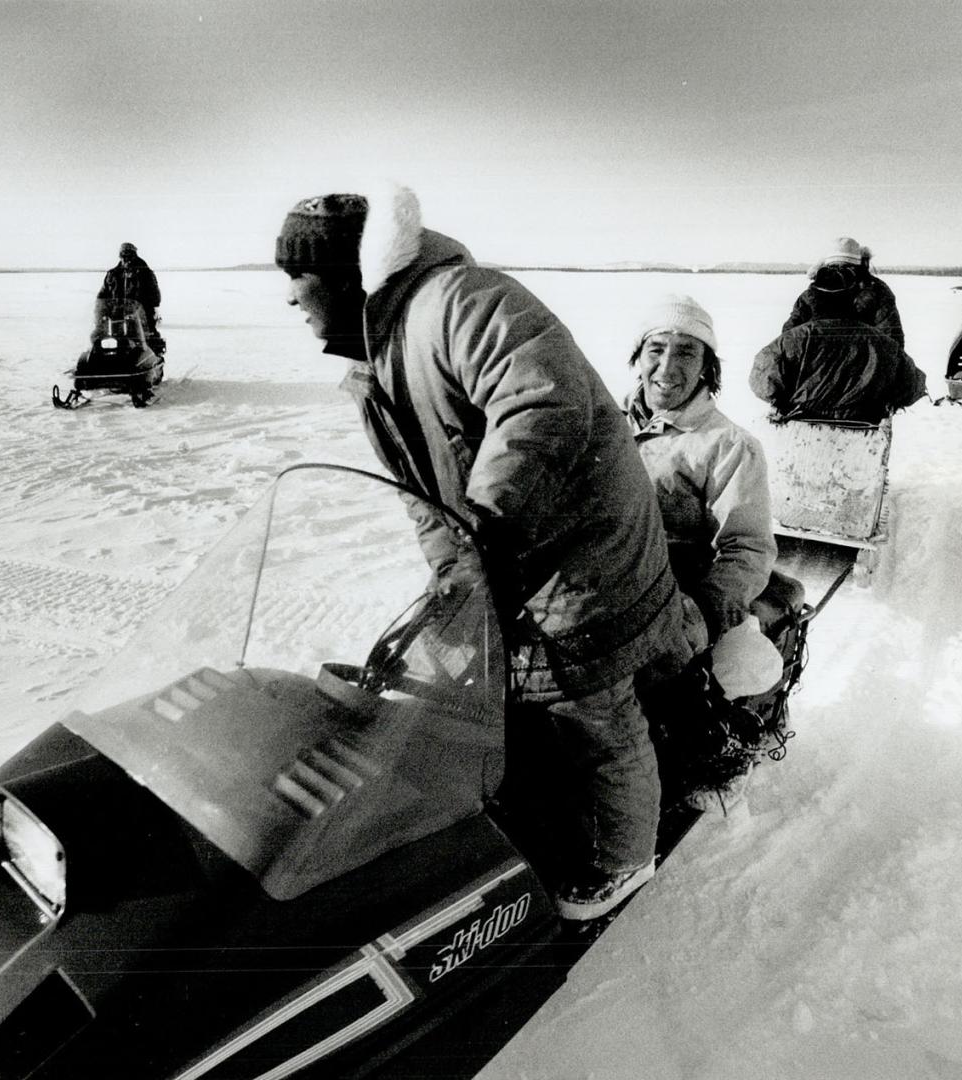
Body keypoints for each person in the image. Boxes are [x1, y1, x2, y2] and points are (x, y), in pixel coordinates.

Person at [274, 186, 706, 921]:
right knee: (490, 689)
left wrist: (485, 519)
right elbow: (420, 493)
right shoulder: (375, 362)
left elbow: (543, 401)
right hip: (517, 554)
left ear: (346, 274)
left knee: (589, 705)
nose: (289, 299)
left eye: (297, 276)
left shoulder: (458, 300)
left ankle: (623, 858)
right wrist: (452, 576)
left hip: (580, 549)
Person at [623, 295, 776, 644]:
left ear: (707, 365)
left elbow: (747, 549)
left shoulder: (729, 445)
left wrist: (702, 612)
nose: (666, 368)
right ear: (639, 357)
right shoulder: (606, 424)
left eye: (686, 352)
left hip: (672, 602)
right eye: (656, 349)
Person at [750, 262, 927, 422]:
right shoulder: (882, 343)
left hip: (803, 425)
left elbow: (763, 380)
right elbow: (911, 386)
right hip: (864, 427)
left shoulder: (795, 338)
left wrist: (785, 402)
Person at [782, 236, 904, 348]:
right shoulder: (877, 292)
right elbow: (892, 341)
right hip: (862, 367)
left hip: (822, 367)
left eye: (845, 268)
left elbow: (787, 341)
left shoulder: (876, 293)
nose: (839, 274)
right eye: (834, 268)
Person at [96, 242, 164, 354]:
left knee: (145, 338)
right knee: (107, 338)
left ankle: (153, 357)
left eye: (129, 254)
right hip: (117, 314)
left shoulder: (144, 272)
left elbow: (154, 292)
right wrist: (100, 311)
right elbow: (103, 294)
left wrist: (154, 308)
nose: (126, 258)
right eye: (123, 254)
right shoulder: (113, 274)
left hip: (140, 315)